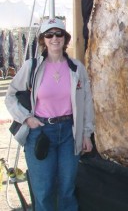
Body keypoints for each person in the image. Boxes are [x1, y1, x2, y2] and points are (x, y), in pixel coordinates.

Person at [5, 18, 95, 210]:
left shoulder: (77, 68)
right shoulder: (32, 67)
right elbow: (10, 96)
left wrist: (86, 133)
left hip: (69, 134)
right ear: (43, 40)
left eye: (59, 34)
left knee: (67, 190)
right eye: (49, 35)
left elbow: (86, 102)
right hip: (41, 133)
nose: (55, 38)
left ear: (65, 38)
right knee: (43, 191)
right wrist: (26, 118)